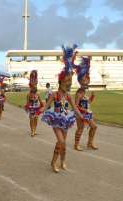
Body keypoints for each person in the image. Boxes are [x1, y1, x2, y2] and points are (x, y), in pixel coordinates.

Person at [40, 45, 81, 173]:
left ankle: (62, 161)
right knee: (61, 141)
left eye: (69, 82)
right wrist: (40, 110)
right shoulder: (54, 94)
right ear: (61, 82)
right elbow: (46, 106)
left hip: (66, 119)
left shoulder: (68, 95)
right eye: (67, 82)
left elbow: (74, 107)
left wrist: (81, 115)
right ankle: (53, 162)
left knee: (63, 143)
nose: (69, 84)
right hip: (56, 119)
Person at [73, 56, 98, 151]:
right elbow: (76, 105)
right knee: (80, 129)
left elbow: (88, 103)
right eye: (84, 81)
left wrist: (92, 97)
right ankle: (76, 144)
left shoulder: (84, 92)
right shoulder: (79, 93)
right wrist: (83, 110)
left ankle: (90, 143)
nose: (86, 82)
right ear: (80, 82)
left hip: (87, 113)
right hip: (80, 114)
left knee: (94, 127)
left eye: (86, 81)